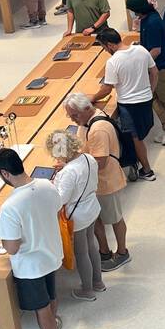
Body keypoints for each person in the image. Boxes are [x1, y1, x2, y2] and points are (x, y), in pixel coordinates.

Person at [0, 148, 67, 329]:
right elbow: (57, 207)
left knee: (41, 307)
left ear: (5, 173)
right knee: (51, 296)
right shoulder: (46, 185)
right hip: (51, 252)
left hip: (30, 265)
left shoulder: (10, 207)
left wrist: (2, 230)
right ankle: (54, 324)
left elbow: (12, 248)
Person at [64, 93, 131, 270]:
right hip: (94, 184)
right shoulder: (86, 121)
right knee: (96, 220)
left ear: (87, 109)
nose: (73, 119)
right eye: (70, 116)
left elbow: (99, 162)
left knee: (114, 218)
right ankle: (104, 251)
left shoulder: (98, 129)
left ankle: (122, 252)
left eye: (75, 115)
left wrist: (74, 167)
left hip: (106, 182)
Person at [93, 27, 158, 180]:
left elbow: (107, 89)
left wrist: (92, 98)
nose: (105, 50)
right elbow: (155, 72)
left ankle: (147, 171)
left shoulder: (113, 62)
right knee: (140, 135)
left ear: (109, 44)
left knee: (135, 138)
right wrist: (150, 91)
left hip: (128, 105)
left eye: (103, 47)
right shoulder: (141, 49)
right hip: (146, 100)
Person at [46, 129, 103, 301]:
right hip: (92, 207)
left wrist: (52, 185)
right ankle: (98, 282)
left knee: (81, 252)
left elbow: (61, 198)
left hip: (77, 215)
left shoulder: (68, 172)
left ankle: (87, 290)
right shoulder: (88, 158)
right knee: (92, 245)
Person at [129, 0, 165, 145]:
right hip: (155, 65)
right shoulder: (146, 18)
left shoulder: (152, 22)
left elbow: (156, 50)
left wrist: (141, 64)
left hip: (161, 67)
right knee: (153, 97)